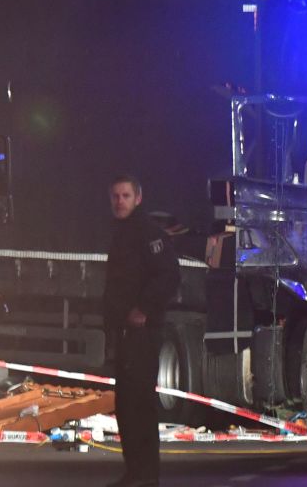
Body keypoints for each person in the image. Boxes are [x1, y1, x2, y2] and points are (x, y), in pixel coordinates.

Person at [102, 175, 181, 487]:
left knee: (140, 404)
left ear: (138, 197)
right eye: (115, 196)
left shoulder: (148, 233)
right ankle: (135, 471)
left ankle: (146, 475)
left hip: (142, 334)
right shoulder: (122, 233)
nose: (120, 201)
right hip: (123, 333)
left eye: (125, 195)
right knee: (125, 405)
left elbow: (168, 275)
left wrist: (143, 309)